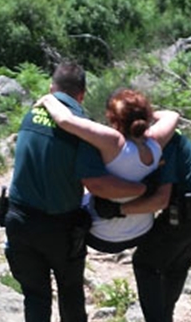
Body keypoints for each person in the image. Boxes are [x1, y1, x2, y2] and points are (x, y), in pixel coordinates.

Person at [4, 63, 148, 322]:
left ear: (52, 88)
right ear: (81, 94)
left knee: (35, 296)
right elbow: (95, 182)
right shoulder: (81, 128)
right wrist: (141, 192)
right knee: (69, 290)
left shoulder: (30, 114)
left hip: (19, 219)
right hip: (60, 226)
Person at [94, 131, 191, 322]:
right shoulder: (169, 137)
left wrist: (118, 209)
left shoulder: (159, 143)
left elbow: (160, 198)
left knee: (146, 262)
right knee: (174, 266)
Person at [35, 88, 179, 252]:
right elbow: (172, 115)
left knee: (74, 201)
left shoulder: (114, 142)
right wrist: (143, 114)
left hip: (102, 237)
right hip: (142, 232)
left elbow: (65, 120)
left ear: (113, 119)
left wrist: (48, 99)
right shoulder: (156, 140)